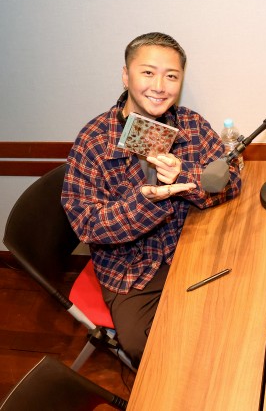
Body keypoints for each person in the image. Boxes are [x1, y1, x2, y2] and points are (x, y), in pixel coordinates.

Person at [61, 32, 241, 367]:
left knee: (232, 317)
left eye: (171, 76)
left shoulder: (192, 125)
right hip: (131, 270)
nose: (159, 86)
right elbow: (87, 226)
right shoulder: (93, 141)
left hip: (190, 246)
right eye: (147, 72)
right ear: (125, 75)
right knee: (153, 350)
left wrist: (185, 175)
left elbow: (232, 181)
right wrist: (146, 202)